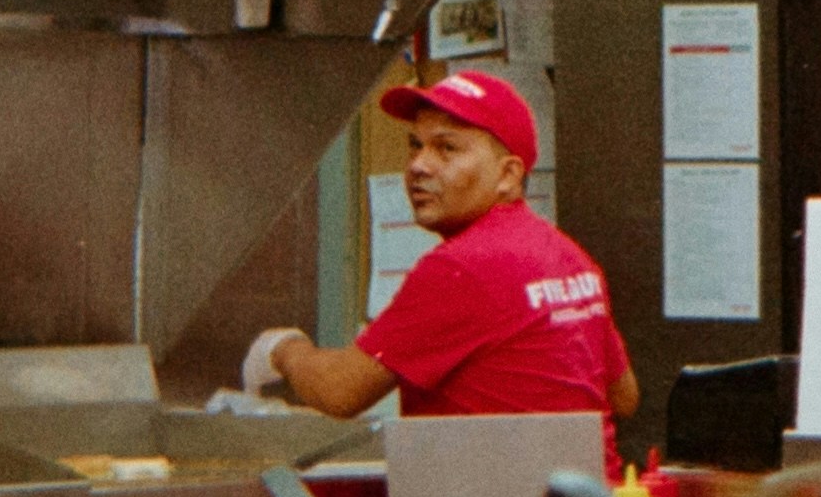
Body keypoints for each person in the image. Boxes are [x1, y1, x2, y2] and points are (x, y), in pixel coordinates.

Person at [245, 69, 639, 427]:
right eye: (415, 146)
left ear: (507, 174)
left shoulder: (462, 267)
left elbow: (339, 390)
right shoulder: (570, 257)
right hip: (583, 482)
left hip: (497, 486)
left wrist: (282, 349)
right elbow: (623, 397)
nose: (418, 165)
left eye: (446, 148)